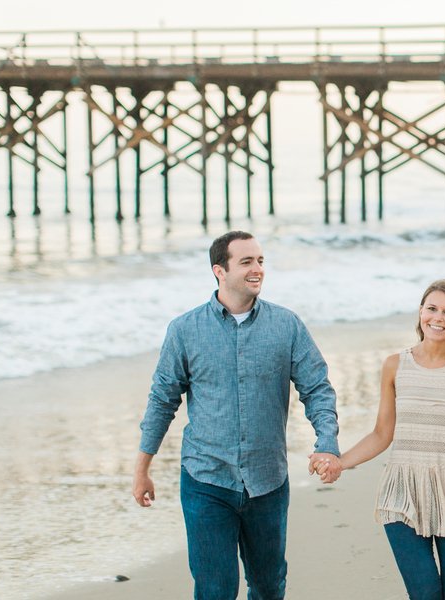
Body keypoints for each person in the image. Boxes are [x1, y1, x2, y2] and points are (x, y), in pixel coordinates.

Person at [132, 230, 342, 600]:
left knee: (268, 586)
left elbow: (317, 388)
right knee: (215, 590)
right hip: (206, 480)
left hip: (267, 481)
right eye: (246, 262)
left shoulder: (286, 325)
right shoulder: (185, 330)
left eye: (260, 261)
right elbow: (162, 400)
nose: (257, 268)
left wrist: (327, 443)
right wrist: (142, 470)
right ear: (220, 270)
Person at [312, 278, 445, 600]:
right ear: (420, 312)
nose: (437, 318)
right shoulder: (395, 365)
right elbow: (381, 433)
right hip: (402, 494)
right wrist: (340, 462)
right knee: (425, 594)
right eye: (431, 308)